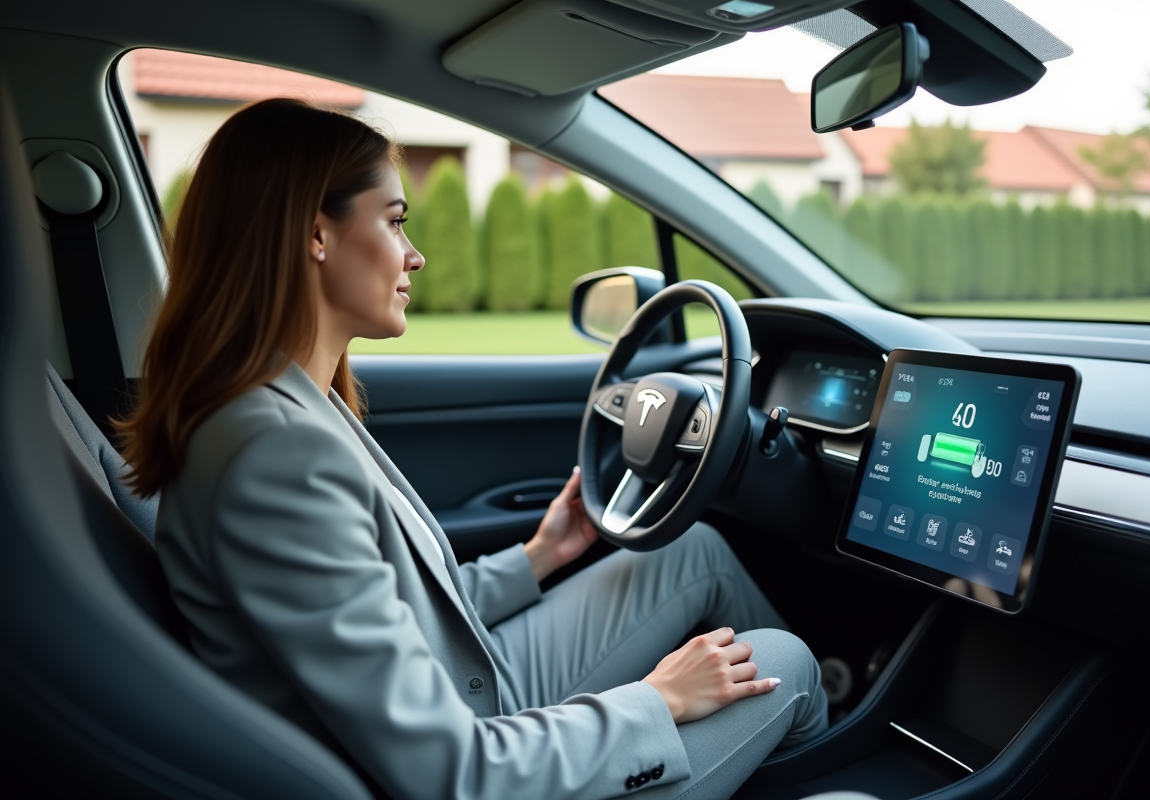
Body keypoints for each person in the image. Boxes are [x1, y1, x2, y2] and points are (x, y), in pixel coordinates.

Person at [118, 98, 827, 800]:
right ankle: (827, 758)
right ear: (316, 235)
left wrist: (542, 554)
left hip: (458, 691)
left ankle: (794, 731)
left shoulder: (284, 404)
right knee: (784, 663)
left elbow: (404, 609)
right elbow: (453, 773)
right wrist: (660, 699)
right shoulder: (275, 455)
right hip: (478, 754)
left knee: (690, 550)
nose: (415, 254)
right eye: (394, 222)